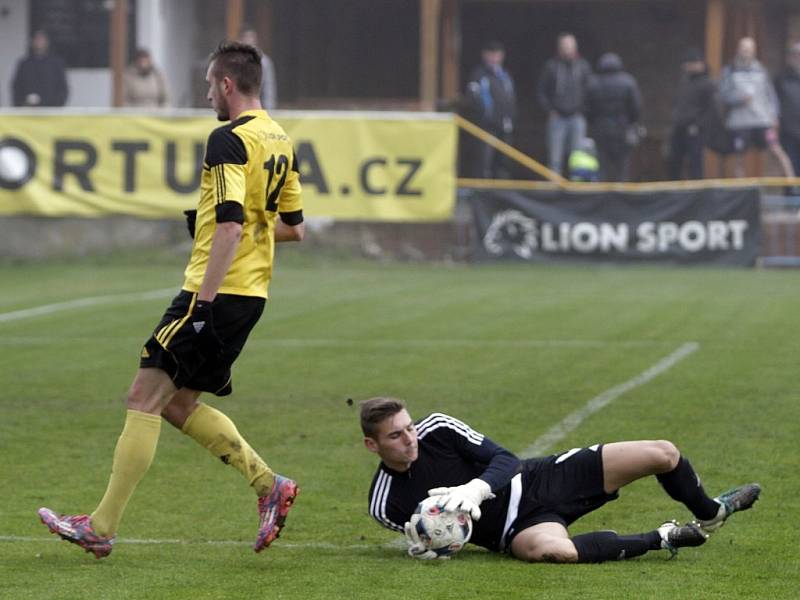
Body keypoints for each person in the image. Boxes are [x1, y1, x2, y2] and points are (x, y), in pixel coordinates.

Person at [37, 41, 305, 559]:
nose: (208, 95)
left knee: (143, 399)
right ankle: (270, 486)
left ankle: (100, 526)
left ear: (228, 85)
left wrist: (200, 307)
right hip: (250, 295)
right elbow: (293, 229)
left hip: (215, 294)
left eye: (210, 85)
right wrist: (215, 223)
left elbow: (229, 224)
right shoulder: (281, 139)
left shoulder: (229, 139)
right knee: (179, 405)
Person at [361, 397, 761, 563]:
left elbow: (505, 460)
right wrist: (435, 545)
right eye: (396, 435)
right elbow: (438, 540)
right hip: (516, 531)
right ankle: (664, 537)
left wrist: (475, 488)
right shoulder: (385, 502)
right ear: (372, 445)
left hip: (540, 479)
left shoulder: (438, 430)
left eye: (409, 427)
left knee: (663, 453)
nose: (410, 439)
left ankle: (711, 513)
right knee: (560, 553)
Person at [719, 37, 793, 178]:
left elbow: (770, 95)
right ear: (738, 49)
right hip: (739, 124)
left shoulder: (760, 70)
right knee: (738, 156)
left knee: (776, 149)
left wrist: (774, 115)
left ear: (754, 51)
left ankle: (792, 184)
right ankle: (740, 190)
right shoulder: (730, 71)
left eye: (749, 49)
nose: (746, 52)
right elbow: (722, 95)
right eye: (744, 48)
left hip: (762, 121)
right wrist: (739, 99)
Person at [537, 33, 593, 177]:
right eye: (564, 47)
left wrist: (583, 110)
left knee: (578, 157)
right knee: (555, 157)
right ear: (559, 48)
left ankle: (576, 186)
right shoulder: (551, 66)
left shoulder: (583, 66)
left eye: (570, 47)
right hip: (557, 117)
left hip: (577, 117)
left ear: (575, 48)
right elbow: (542, 90)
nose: (567, 50)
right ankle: (554, 187)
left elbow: (590, 90)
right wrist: (549, 110)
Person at [585, 52, 642, 182]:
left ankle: (602, 197)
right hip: (621, 129)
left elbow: (587, 108)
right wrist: (630, 122)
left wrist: (594, 123)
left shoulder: (593, 83)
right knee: (622, 167)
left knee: (602, 166)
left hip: (600, 130)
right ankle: (621, 196)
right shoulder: (628, 82)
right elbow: (636, 107)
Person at [464, 40, 518, 179]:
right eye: (491, 54)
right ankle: (482, 195)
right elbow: (473, 98)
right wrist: (485, 117)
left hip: (505, 126)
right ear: (485, 55)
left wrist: (510, 118)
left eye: (497, 54)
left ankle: (503, 194)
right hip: (487, 127)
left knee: (504, 163)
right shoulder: (478, 74)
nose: (494, 58)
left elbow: (511, 98)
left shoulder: (505, 76)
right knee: (484, 163)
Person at [667, 48, 717, 180]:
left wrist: (699, 126)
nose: (687, 66)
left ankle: (696, 193)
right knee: (674, 160)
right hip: (679, 127)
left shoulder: (707, 84)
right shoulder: (684, 82)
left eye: (691, 63)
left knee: (695, 162)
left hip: (695, 130)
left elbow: (710, 109)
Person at [11, 30, 68, 107]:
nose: (39, 42)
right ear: (32, 42)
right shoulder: (24, 64)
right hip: (27, 111)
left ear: (47, 42)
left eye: (41, 39)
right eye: (37, 39)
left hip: (51, 111)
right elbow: (16, 87)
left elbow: (62, 88)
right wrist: (21, 104)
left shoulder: (56, 64)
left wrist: (56, 105)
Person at [774, 42, 800, 178]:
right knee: (791, 166)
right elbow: (773, 103)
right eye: (795, 55)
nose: (798, 58)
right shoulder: (781, 78)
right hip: (788, 131)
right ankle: (791, 197)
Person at [238, 29, 277, 110]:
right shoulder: (232, 61)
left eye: (252, 38)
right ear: (241, 40)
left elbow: (268, 88)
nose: (249, 41)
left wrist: (269, 109)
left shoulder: (264, 62)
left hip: (258, 109)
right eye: (246, 38)